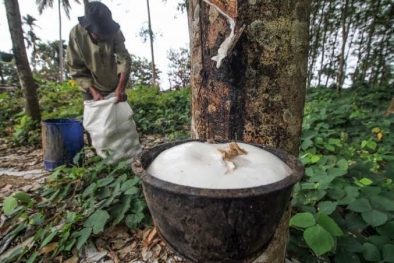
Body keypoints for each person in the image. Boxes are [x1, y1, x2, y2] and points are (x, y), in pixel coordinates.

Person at [66, 1, 131, 103]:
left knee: (118, 116)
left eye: (106, 32)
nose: (105, 36)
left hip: (115, 85)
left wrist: (121, 87)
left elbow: (124, 59)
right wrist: (94, 92)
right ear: (88, 29)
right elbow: (76, 68)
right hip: (91, 87)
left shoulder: (115, 32)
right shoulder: (76, 35)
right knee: (96, 117)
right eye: (100, 33)